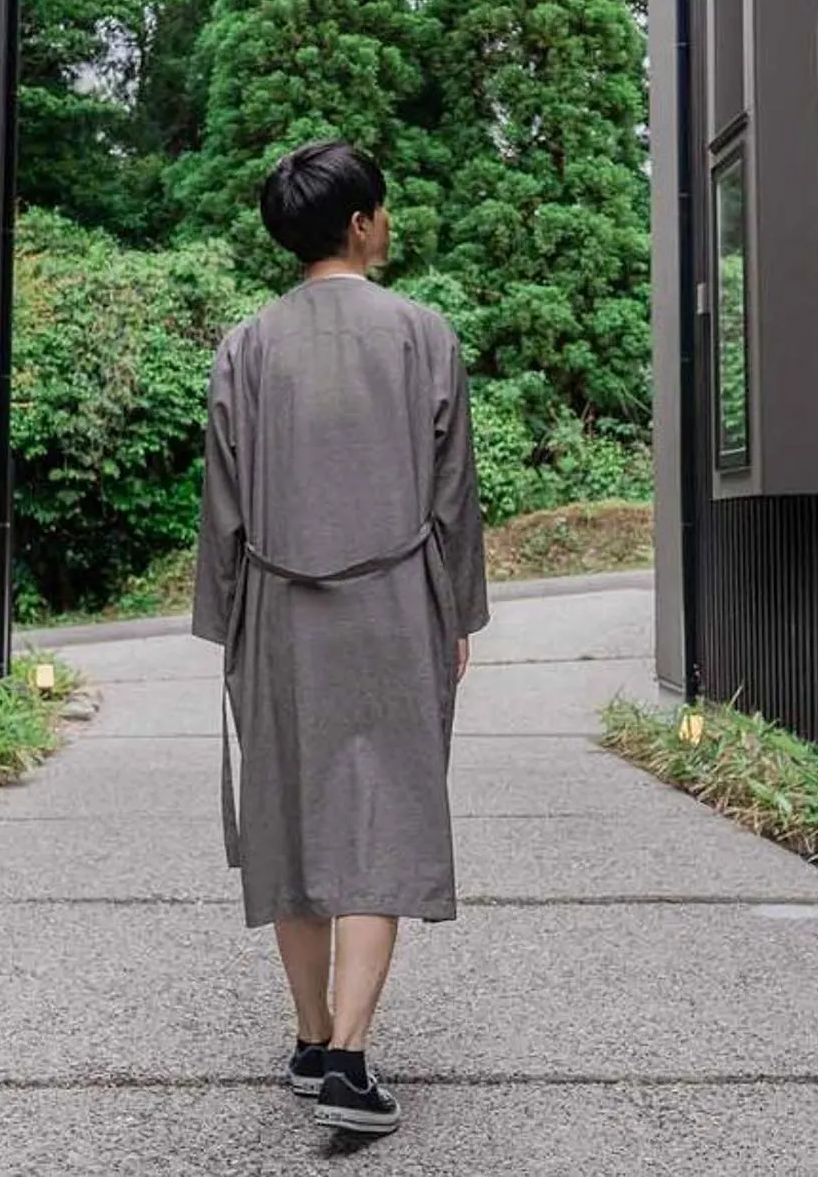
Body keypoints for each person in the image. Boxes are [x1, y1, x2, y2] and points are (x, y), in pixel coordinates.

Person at [190, 140, 489, 1138]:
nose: (386, 223)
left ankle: (314, 1035)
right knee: (384, 811)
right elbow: (454, 496)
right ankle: (351, 1060)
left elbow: (221, 506)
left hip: (275, 607)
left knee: (294, 812)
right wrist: (457, 613)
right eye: (383, 210)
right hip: (396, 597)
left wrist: (225, 620)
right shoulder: (423, 332)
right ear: (361, 222)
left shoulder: (246, 344)